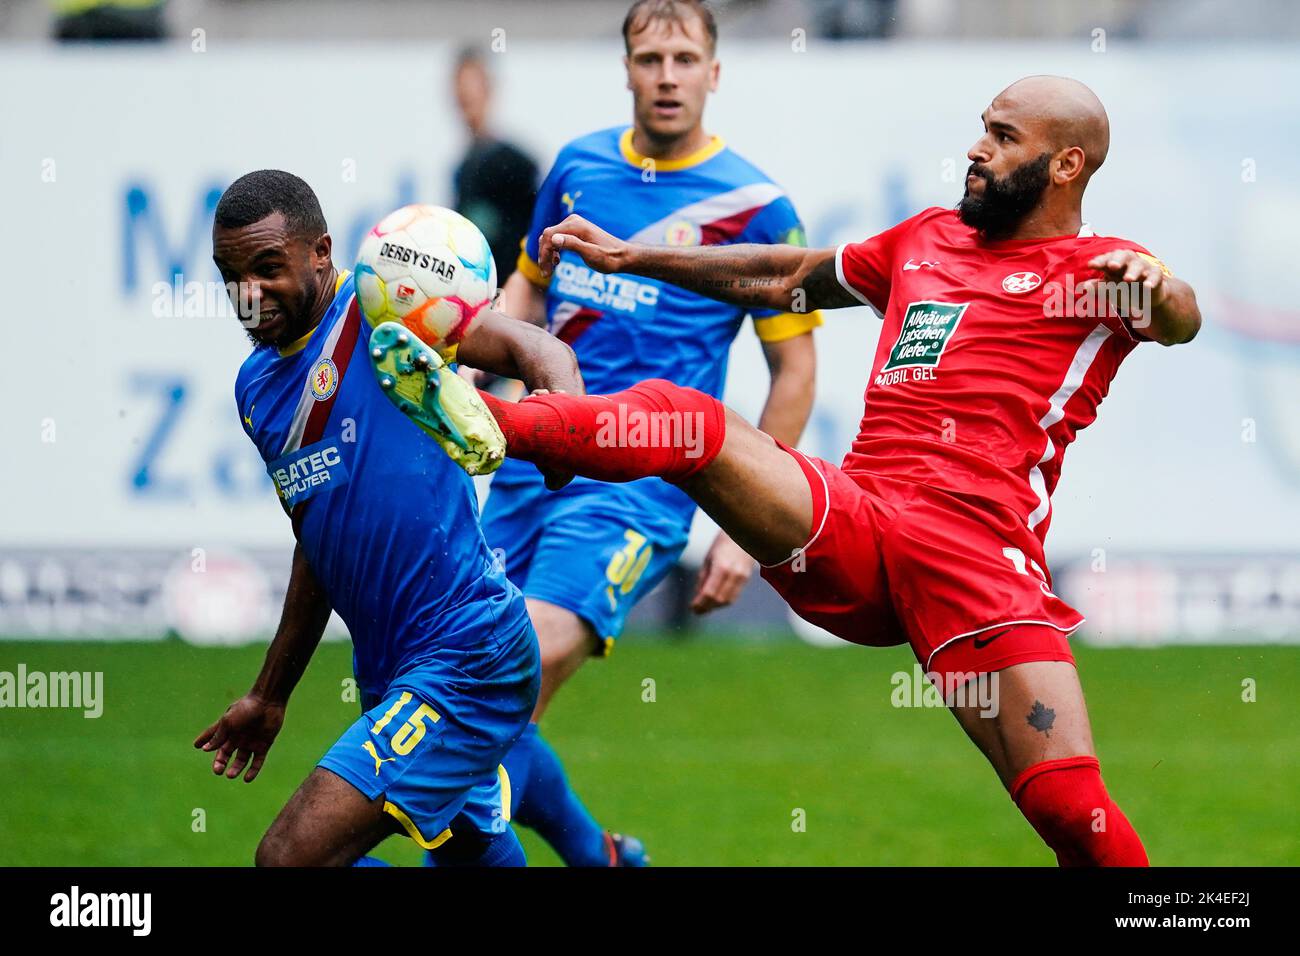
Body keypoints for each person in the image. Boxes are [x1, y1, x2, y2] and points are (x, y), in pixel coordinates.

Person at [377, 76, 1202, 865]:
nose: (976, 149)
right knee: (692, 422)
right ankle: (489, 421)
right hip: (857, 521)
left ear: (1066, 164)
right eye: (982, 127)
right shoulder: (924, 239)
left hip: (975, 558)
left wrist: (1158, 288)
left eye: (1002, 135)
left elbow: (1180, 319)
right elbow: (788, 277)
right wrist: (637, 258)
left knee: (1070, 812)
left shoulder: (1100, 275)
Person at [469, 0, 821, 866]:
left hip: (639, 490)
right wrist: (478, 368)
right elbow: (525, 290)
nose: (667, 75)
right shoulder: (578, 169)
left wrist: (752, 529)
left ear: (714, 72)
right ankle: (600, 858)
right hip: (526, 461)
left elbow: (797, 371)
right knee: (462, 694)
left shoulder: (760, 210)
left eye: (685, 58)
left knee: (508, 669)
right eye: (650, 58)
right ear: (626, 69)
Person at [194, 169, 583, 867]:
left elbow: (540, 350)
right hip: (388, 671)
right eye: (231, 276)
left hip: (469, 652)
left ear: (321, 251)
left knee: (288, 859)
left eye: (266, 268)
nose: (248, 294)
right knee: (473, 853)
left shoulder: (390, 311)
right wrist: (269, 695)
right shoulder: (255, 390)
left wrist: (565, 430)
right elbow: (317, 540)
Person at [451, 47, 538, 286]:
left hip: (507, 295)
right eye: (459, 86)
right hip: (473, 294)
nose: (464, 94)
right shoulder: (463, 168)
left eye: (472, 85)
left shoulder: (516, 164)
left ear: (489, 89)